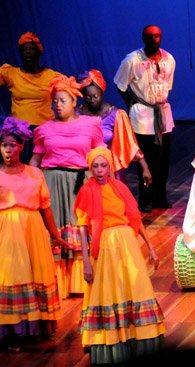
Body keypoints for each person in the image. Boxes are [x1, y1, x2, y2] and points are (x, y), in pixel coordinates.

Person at [75, 146, 165, 364]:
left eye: (103, 165)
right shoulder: (86, 191)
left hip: (126, 245)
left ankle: (140, 339)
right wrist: (86, 261)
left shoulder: (120, 188)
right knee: (108, 292)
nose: (99, 170)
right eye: (95, 166)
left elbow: (135, 219)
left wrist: (151, 247)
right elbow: (82, 227)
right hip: (105, 246)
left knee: (136, 287)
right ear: (90, 168)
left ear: (110, 167)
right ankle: (112, 341)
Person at [29, 75, 105, 299]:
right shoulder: (44, 129)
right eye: (55, 101)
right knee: (57, 230)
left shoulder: (91, 125)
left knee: (81, 228)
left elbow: (100, 155)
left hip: (81, 181)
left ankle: (83, 280)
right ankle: (58, 283)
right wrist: (30, 182)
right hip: (52, 181)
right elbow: (36, 159)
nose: (58, 105)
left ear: (74, 102)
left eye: (62, 100)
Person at [0, 117, 67, 353]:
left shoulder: (35, 174)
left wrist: (56, 235)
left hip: (33, 230)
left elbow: (46, 207)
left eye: (13, 145)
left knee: (37, 273)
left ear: (21, 146)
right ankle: (11, 333)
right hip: (7, 233)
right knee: (13, 276)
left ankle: (36, 328)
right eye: (4, 145)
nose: (9, 150)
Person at [114, 24, 176, 213]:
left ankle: (160, 197)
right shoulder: (132, 60)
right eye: (150, 36)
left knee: (163, 160)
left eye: (157, 36)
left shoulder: (169, 59)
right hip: (142, 116)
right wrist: (131, 102)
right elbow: (120, 83)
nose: (154, 40)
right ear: (143, 38)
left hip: (162, 114)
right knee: (146, 160)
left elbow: (168, 86)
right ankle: (146, 199)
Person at [77, 69, 151, 185]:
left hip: (110, 170)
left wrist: (145, 168)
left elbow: (130, 144)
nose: (92, 101)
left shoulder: (115, 115)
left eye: (95, 96)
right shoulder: (77, 115)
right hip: (84, 169)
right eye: (88, 97)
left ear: (102, 93)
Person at [0, 32, 62, 161]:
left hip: (44, 131)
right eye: (24, 49)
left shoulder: (52, 76)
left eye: (31, 49)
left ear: (39, 52)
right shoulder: (11, 74)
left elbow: (67, 93)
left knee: (41, 171)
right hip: (18, 133)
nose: (28, 52)